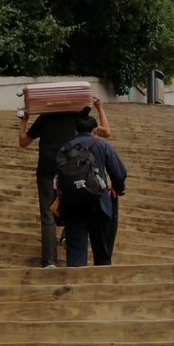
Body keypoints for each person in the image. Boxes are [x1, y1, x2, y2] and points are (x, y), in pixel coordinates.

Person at [19, 95, 110, 268]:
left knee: (48, 215)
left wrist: (24, 120)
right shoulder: (77, 119)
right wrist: (99, 107)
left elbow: (23, 141)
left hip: (47, 169)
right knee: (74, 204)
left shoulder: (44, 118)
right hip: (72, 170)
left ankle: (49, 262)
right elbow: (105, 131)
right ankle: (68, 236)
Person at [57, 113, 127, 268]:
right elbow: (119, 174)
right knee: (102, 253)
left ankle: (76, 286)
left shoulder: (63, 149)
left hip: (72, 206)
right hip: (99, 205)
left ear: (75, 131)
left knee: (75, 254)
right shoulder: (102, 145)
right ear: (95, 130)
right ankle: (100, 286)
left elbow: (58, 179)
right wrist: (118, 188)